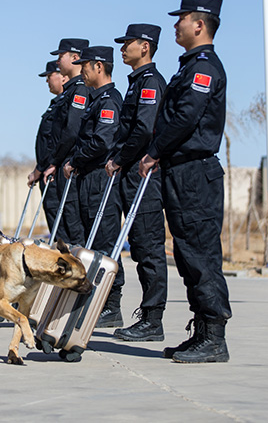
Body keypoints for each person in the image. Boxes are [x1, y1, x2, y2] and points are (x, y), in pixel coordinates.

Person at [138, 0, 231, 363]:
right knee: (187, 255)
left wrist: (154, 151)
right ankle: (202, 333)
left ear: (200, 24)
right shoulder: (189, 66)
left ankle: (214, 338)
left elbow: (186, 118)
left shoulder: (204, 68)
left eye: (182, 19)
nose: (175, 25)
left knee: (201, 255)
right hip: (181, 172)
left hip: (196, 173)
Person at [105, 24, 169, 342]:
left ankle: (153, 319)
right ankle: (149, 316)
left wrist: (119, 158)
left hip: (143, 174)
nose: (122, 48)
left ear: (145, 47)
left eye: (127, 43)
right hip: (131, 172)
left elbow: (143, 130)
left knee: (148, 247)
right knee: (140, 249)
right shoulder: (135, 84)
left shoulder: (150, 83)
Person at [62, 46, 124, 328]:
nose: (82, 70)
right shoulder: (94, 100)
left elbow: (102, 141)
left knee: (105, 243)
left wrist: (75, 159)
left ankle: (112, 305)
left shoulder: (109, 100)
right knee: (91, 242)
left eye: (85, 65)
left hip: (100, 178)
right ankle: (98, 303)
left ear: (99, 67)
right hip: (88, 179)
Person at [42, 38, 90, 246]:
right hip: (63, 165)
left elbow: (72, 131)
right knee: (67, 229)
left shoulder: (80, 90)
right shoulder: (70, 91)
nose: (58, 61)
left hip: (71, 165)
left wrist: (54, 160)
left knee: (74, 230)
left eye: (61, 56)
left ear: (75, 58)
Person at [27, 61, 69, 230]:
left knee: (62, 231)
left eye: (49, 76)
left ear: (62, 76)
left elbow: (55, 142)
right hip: (48, 172)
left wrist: (41, 168)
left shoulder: (66, 103)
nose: (47, 81)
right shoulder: (56, 104)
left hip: (54, 174)